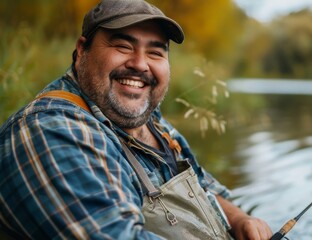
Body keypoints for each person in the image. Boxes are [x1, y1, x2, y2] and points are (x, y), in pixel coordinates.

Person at [0, 0, 272, 239]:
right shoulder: (52, 129)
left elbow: (206, 187)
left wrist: (239, 219)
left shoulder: (150, 120)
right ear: (83, 50)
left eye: (155, 52)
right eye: (122, 45)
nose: (140, 64)